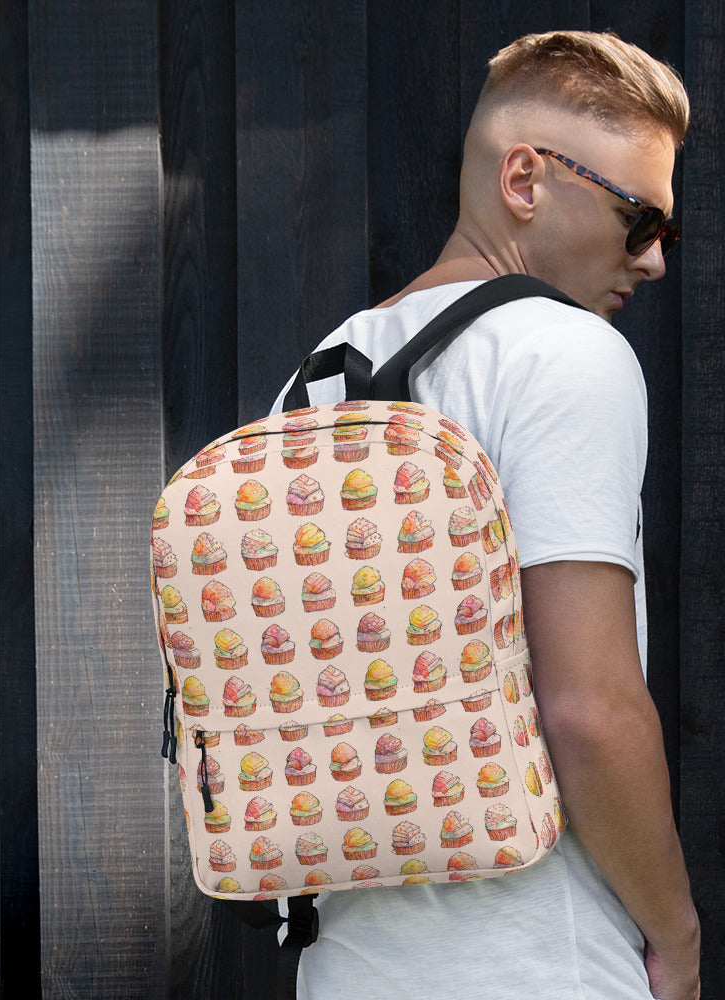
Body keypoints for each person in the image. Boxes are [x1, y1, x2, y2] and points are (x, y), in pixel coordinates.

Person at [272, 29, 700, 1000]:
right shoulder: (564, 352)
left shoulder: (314, 380)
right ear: (524, 179)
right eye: (639, 220)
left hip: (346, 967)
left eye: (664, 234)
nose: (654, 261)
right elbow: (588, 707)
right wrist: (677, 937)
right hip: (538, 962)